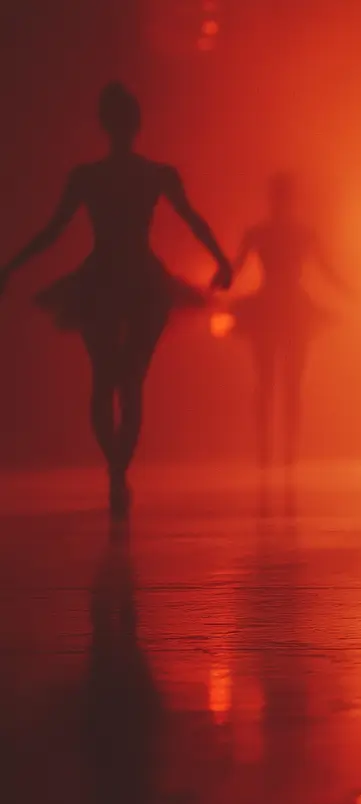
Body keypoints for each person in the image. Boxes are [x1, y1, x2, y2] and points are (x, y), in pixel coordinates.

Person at [0, 83, 232, 516]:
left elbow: (51, 233)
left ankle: (116, 470)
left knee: (104, 379)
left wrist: (11, 266)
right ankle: (118, 470)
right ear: (136, 125)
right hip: (140, 280)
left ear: (104, 125)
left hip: (103, 279)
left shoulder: (88, 177)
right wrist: (221, 259)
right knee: (131, 381)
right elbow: (192, 219)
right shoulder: (156, 174)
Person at [231, 172, 346, 468]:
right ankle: (282, 452)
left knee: (269, 381)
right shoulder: (299, 234)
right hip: (289, 307)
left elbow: (233, 270)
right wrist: (351, 289)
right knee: (288, 382)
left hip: (273, 307)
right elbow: (328, 270)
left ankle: (270, 451)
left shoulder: (260, 233)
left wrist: (214, 283)